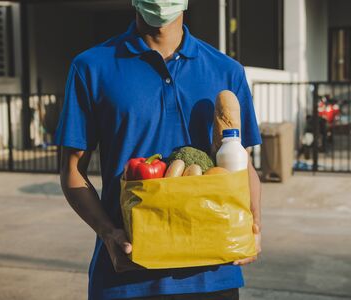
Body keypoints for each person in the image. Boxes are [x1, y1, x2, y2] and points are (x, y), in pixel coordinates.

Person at [56, 0, 262, 299]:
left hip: (213, 274)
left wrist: (254, 226)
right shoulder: (91, 67)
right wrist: (108, 233)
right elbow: (72, 171)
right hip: (126, 272)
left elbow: (243, 165)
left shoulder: (226, 70)